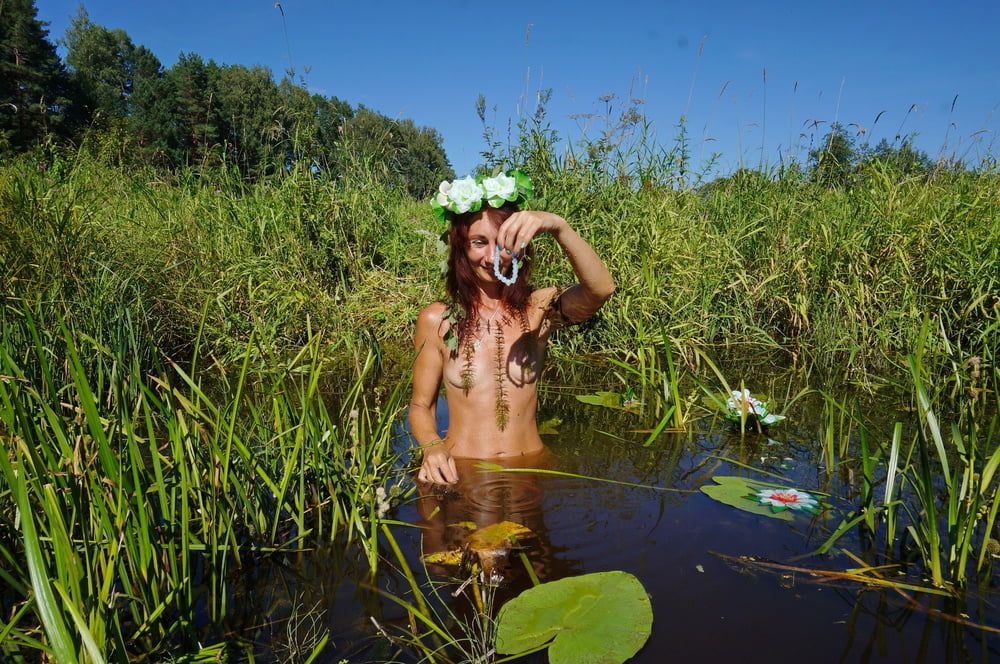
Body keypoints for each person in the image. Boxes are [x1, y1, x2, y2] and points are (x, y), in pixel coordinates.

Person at [410, 170, 614, 485]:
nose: (493, 256)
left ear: (520, 246)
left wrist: (559, 226)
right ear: (461, 248)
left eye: (505, 241)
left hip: (530, 471)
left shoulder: (538, 309)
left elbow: (600, 290)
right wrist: (432, 447)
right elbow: (421, 406)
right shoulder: (438, 320)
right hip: (460, 474)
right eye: (479, 242)